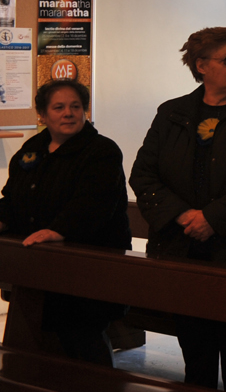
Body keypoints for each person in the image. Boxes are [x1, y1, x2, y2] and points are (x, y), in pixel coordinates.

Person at [130, 27, 226, 392]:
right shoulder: (172, 114)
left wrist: (212, 219)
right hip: (184, 248)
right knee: (196, 352)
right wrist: (184, 216)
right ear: (201, 66)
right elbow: (143, 175)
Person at [0, 79, 129, 365]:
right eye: (58, 107)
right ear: (43, 115)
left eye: (75, 107)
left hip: (87, 266)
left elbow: (94, 204)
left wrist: (59, 230)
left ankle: (96, 391)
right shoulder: (33, 148)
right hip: (36, 267)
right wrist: (3, 219)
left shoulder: (102, 151)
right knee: (35, 344)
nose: (68, 113)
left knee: (82, 343)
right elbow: (13, 196)